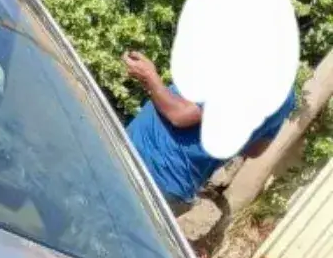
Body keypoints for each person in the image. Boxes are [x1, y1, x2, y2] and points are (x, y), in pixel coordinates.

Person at [123, 51, 295, 208]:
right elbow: (255, 149)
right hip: (173, 187)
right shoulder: (286, 96)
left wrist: (149, 76)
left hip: (145, 171)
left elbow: (180, 115)